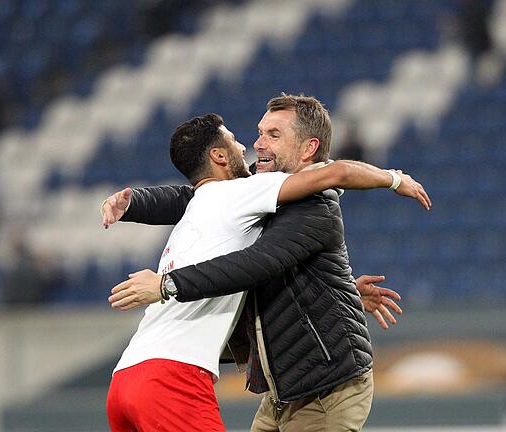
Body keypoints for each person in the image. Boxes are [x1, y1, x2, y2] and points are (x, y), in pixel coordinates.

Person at [102, 94, 431, 431]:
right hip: (279, 396)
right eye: (259, 132)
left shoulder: (313, 207)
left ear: (307, 149)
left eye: (273, 135)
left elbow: (256, 263)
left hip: (324, 390)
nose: (256, 143)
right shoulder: (250, 195)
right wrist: (136, 202)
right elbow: (194, 197)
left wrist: (166, 284)